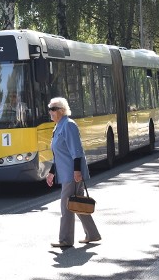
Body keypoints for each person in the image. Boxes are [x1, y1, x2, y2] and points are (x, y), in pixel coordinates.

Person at [46, 97, 101, 247]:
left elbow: (76, 150)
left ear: (61, 111)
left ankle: (65, 240)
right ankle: (93, 234)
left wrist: (77, 171)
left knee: (67, 205)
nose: (50, 112)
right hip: (65, 172)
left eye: (53, 109)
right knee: (76, 203)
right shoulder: (58, 126)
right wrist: (52, 172)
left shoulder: (68, 125)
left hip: (71, 172)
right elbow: (59, 154)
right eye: (49, 109)